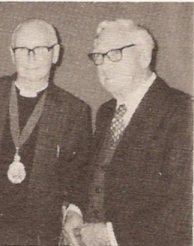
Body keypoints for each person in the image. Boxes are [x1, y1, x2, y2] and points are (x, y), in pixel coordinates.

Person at [0, 18, 92, 245]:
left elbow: (80, 173)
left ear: (55, 53)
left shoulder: (74, 110)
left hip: (34, 235)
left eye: (40, 49)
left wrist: (74, 211)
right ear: (12, 54)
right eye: (23, 49)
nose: (31, 57)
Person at [63, 19, 192, 246]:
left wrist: (112, 235)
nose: (103, 66)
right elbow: (92, 173)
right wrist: (76, 210)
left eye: (114, 54)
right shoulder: (106, 112)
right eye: (98, 57)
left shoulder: (181, 111)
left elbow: (182, 206)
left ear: (144, 57)